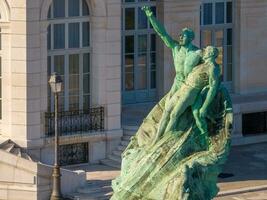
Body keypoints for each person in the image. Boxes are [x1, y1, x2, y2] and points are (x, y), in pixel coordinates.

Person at [153, 46, 221, 144]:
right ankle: (156, 139)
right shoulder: (202, 64)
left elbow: (213, 88)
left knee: (174, 115)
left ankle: (163, 142)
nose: (204, 51)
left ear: (210, 54)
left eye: (206, 51)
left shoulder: (213, 68)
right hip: (183, 88)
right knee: (166, 111)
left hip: (191, 92)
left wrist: (204, 107)